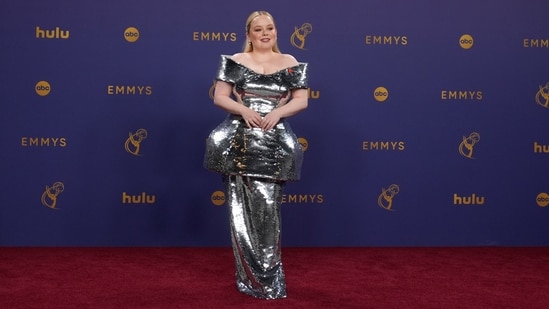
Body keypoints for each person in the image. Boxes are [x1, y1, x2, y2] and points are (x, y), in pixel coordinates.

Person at [204, 10, 309, 300]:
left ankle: (268, 277)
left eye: (270, 28)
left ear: (277, 31)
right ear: (249, 34)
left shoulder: (290, 62)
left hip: (274, 143)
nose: (265, 33)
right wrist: (244, 110)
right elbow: (220, 96)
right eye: (259, 29)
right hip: (239, 141)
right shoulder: (235, 62)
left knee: (268, 212)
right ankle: (249, 279)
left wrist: (277, 112)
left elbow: (302, 100)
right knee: (239, 212)